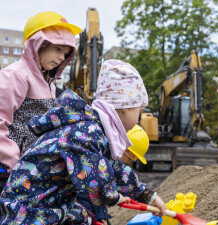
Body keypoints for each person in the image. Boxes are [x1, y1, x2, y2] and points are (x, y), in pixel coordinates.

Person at [0, 59, 166, 224]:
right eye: (140, 110)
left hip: (48, 204)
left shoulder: (93, 130)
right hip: (29, 211)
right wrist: (114, 197)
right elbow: (95, 183)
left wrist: (146, 195)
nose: (139, 119)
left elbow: (113, 167)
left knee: (83, 217)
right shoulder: (86, 133)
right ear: (126, 107)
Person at [0, 11, 81, 192]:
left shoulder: (49, 84)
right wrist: (13, 161)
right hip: (8, 172)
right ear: (38, 44)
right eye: (58, 49)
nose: (62, 57)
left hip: (31, 171)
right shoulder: (16, 76)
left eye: (66, 53)